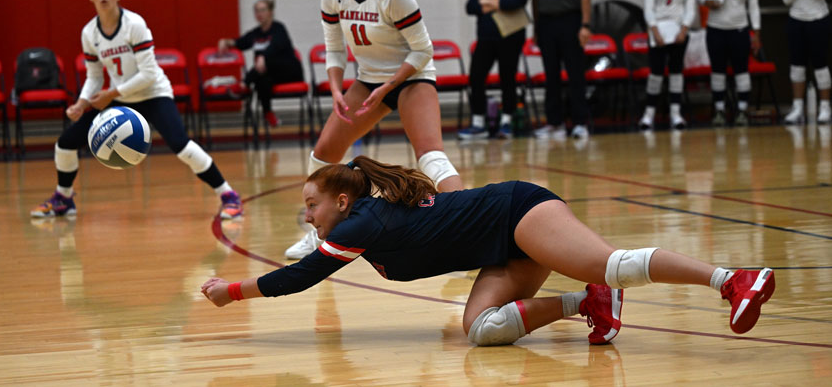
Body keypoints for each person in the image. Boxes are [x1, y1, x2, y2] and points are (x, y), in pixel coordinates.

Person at [202, 156, 775, 346]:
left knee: (613, 261)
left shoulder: (361, 225)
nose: (307, 214)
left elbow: (300, 278)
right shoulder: (363, 221)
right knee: (481, 330)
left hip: (517, 212)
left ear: (344, 201)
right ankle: (590, 303)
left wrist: (233, 291)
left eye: (311, 204)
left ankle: (732, 279)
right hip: (500, 250)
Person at [284, 0, 465, 259]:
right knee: (322, 157)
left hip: (410, 77)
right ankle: (319, 236)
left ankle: (465, 234)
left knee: (432, 158)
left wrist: (389, 86)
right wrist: (336, 89)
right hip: (368, 81)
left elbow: (423, 50)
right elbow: (334, 50)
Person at [30, 0, 243, 220]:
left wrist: (111, 93)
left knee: (181, 145)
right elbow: (95, 76)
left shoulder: (134, 24)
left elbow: (149, 74)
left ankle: (229, 195)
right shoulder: (89, 33)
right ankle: (63, 198)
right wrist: (81, 102)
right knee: (65, 143)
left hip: (153, 93)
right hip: (120, 97)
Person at [528, 0, 592, 140]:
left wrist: (585, 25)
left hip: (570, 21)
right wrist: (536, 27)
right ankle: (555, 124)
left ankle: (580, 122)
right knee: (551, 75)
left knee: (575, 74)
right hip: (546, 24)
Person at [458, 0, 530, 140]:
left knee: (508, 79)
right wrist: (495, 2)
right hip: (486, 39)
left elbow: (515, 2)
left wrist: (488, 2)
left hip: (510, 38)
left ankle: (506, 121)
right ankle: (478, 123)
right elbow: (470, 6)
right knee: (476, 78)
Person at [697, 0, 761, 127]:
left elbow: (754, 8)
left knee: (742, 70)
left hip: (739, 31)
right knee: (718, 71)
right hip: (716, 30)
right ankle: (719, 110)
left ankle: (742, 110)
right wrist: (706, 1)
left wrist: (756, 33)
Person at [217, 0, 304, 127]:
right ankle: (268, 113)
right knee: (262, 80)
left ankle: (243, 84)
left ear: (270, 12)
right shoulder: (255, 34)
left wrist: (264, 58)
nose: (259, 14)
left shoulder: (279, 29)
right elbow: (241, 42)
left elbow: (277, 46)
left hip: (289, 71)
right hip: (268, 74)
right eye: (257, 11)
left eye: (263, 10)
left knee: (265, 66)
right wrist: (226, 42)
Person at [639, 0, 697, 130]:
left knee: (676, 72)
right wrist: (654, 31)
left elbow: (691, 8)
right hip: (659, 31)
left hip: (678, 31)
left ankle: (675, 113)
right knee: (655, 74)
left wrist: (684, 29)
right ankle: (648, 115)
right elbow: (648, 8)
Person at [782, 0, 831, 125]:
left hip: (818, 20)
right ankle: (797, 108)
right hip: (796, 20)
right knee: (797, 65)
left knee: (820, 65)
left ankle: (825, 107)